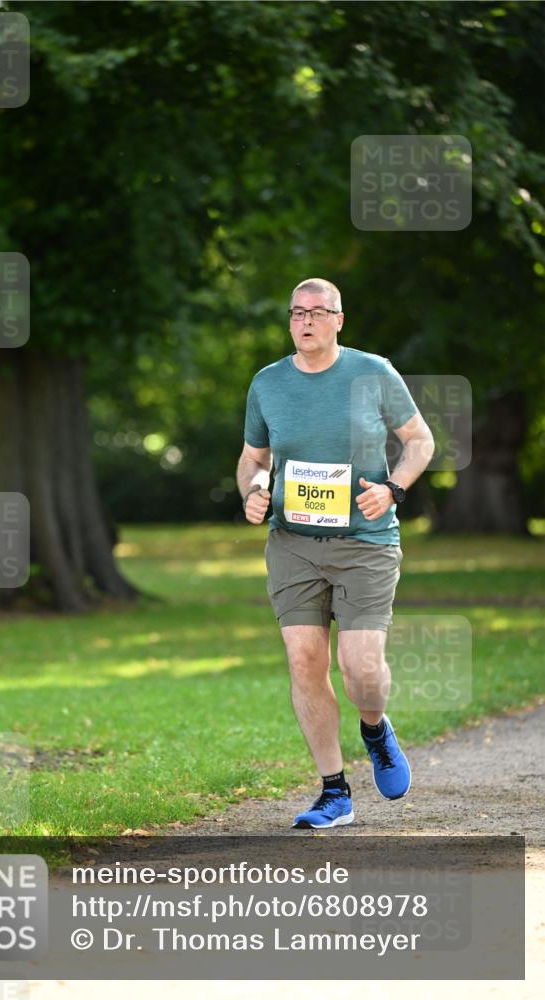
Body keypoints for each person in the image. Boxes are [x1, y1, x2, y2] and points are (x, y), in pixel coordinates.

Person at [237, 278, 435, 829]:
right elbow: (253, 458)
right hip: (293, 544)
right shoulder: (268, 383)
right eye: (297, 313)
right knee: (305, 660)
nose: (305, 321)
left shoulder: (373, 373)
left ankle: (375, 727)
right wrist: (253, 490)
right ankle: (334, 791)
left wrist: (392, 489)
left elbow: (420, 441)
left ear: (339, 320)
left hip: (366, 543)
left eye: (318, 312)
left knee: (361, 669)